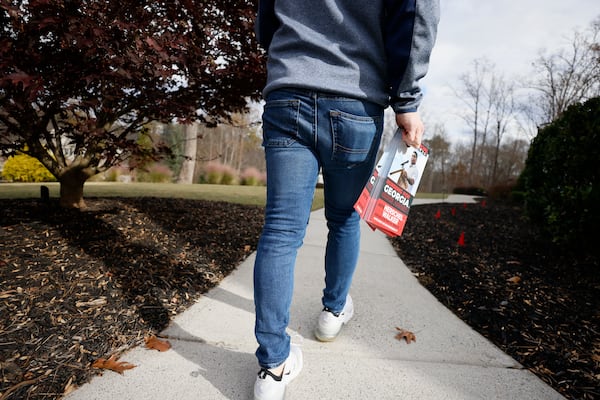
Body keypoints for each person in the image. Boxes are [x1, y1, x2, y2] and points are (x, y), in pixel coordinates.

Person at [252, 1, 440, 399]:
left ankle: (272, 367)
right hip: (354, 100)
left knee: (281, 230)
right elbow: (418, 14)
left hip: (289, 93)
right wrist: (406, 100)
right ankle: (332, 315)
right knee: (343, 219)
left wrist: (290, 48)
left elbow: (266, 17)